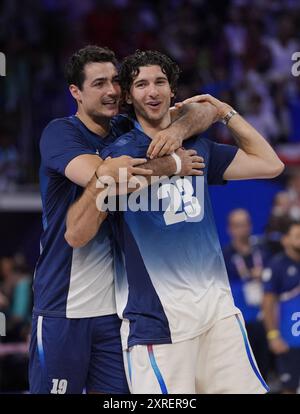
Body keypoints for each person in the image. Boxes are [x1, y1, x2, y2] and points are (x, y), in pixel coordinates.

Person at [68, 49, 284, 393]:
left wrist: (224, 112)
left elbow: (270, 164)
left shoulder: (199, 146)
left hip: (218, 315)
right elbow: (77, 233)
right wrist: (168, 166)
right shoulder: (120, 154)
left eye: (160, 82)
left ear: (172, 91)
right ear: (128, 95)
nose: (152, 91)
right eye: (141, 84)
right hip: (159, 326)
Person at [30, 45, 217, 394]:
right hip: (63, 306)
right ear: (76, 92)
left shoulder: (124, 129)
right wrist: (171, 164)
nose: (112, 91)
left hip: (116, 312)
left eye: (116, 81)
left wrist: (175, 132)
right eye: (99, 83)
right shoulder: (60, 133)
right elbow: (100, 176)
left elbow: (204, 112)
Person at [223, 209, 271, 380]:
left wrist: (264, 273)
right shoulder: (224, 256)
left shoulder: (263, 251)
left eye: (245, 224)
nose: (242, 229)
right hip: (240, 319)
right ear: (230, 229)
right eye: (237, 225)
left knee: (267, 365)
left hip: (265, 316)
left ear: (250, 226)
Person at [262, 221, 300, 394]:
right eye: (298, 236)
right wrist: (273, 336)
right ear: (285, 240)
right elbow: (268, 303)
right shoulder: (277, 265)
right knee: (289, 388)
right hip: (289, 341)